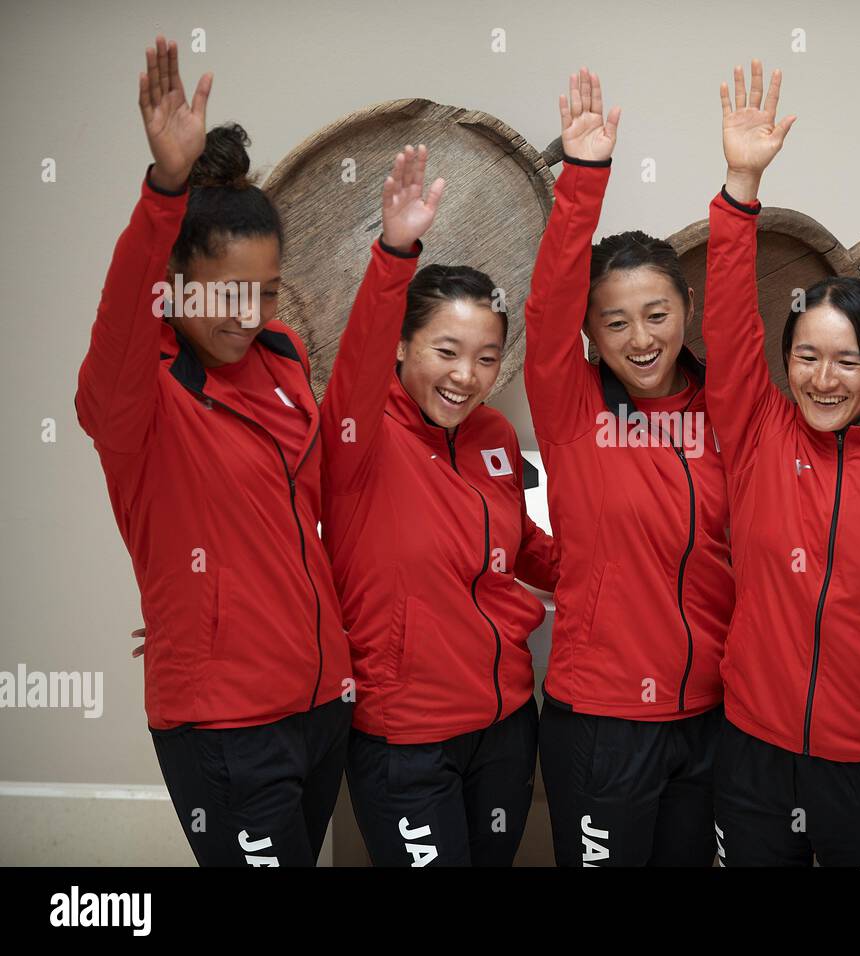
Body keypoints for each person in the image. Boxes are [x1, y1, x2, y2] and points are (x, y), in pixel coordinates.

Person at [78, 36, 351, 866]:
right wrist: (164, 190)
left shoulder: (284, 359)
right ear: (172, 286)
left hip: (320, 705)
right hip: (228, 724)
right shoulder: (138, 395)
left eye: (264, 293)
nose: (247, 315)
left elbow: (288, 522)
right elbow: (123, 316)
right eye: (226, 293)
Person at [705, 60, 860, 866]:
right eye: (807, 356)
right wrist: (741, 186)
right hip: (753, 749)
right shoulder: (758, 429)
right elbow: (728, 322)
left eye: (848, 361)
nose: (823, 380)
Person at [320, 145, 558, 866]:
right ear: (400, 348)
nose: (466, 376)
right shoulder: (358, 433)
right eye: (446, 351)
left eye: (486, 357)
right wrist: (396, 251)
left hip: (507, 723)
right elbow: (356, 358)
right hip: (406, 738)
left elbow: (524, 551)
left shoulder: (493, 437)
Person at [524, 69, 735, 866]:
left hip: (712, 717)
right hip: (603, 723)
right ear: (589, 332)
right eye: (615, 323)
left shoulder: (730, 411)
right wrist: (584, 177)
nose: (641, 339)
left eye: (656, 314)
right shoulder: (572, 407)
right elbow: (545, 307)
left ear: (687, 310)